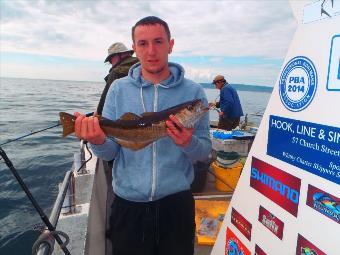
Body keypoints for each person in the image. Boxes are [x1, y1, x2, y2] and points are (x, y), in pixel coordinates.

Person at [74, 16, 211, 255]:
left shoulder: (194, 92)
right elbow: (112, 151)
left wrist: (188, 143)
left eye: (158, 41)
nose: (152, 51)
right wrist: (97, 141)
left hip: (176, 203)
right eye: (143, 43)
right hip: (129, 205)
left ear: (171, 44)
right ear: (135, 49)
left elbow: (204, 151)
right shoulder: (119, 89)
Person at [97, 42, 139, 115]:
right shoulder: (143, 65)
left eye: (110, 60)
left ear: (118, 55)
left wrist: (97, 114)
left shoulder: (116, 72)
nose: (111, 64)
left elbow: (103, 105)